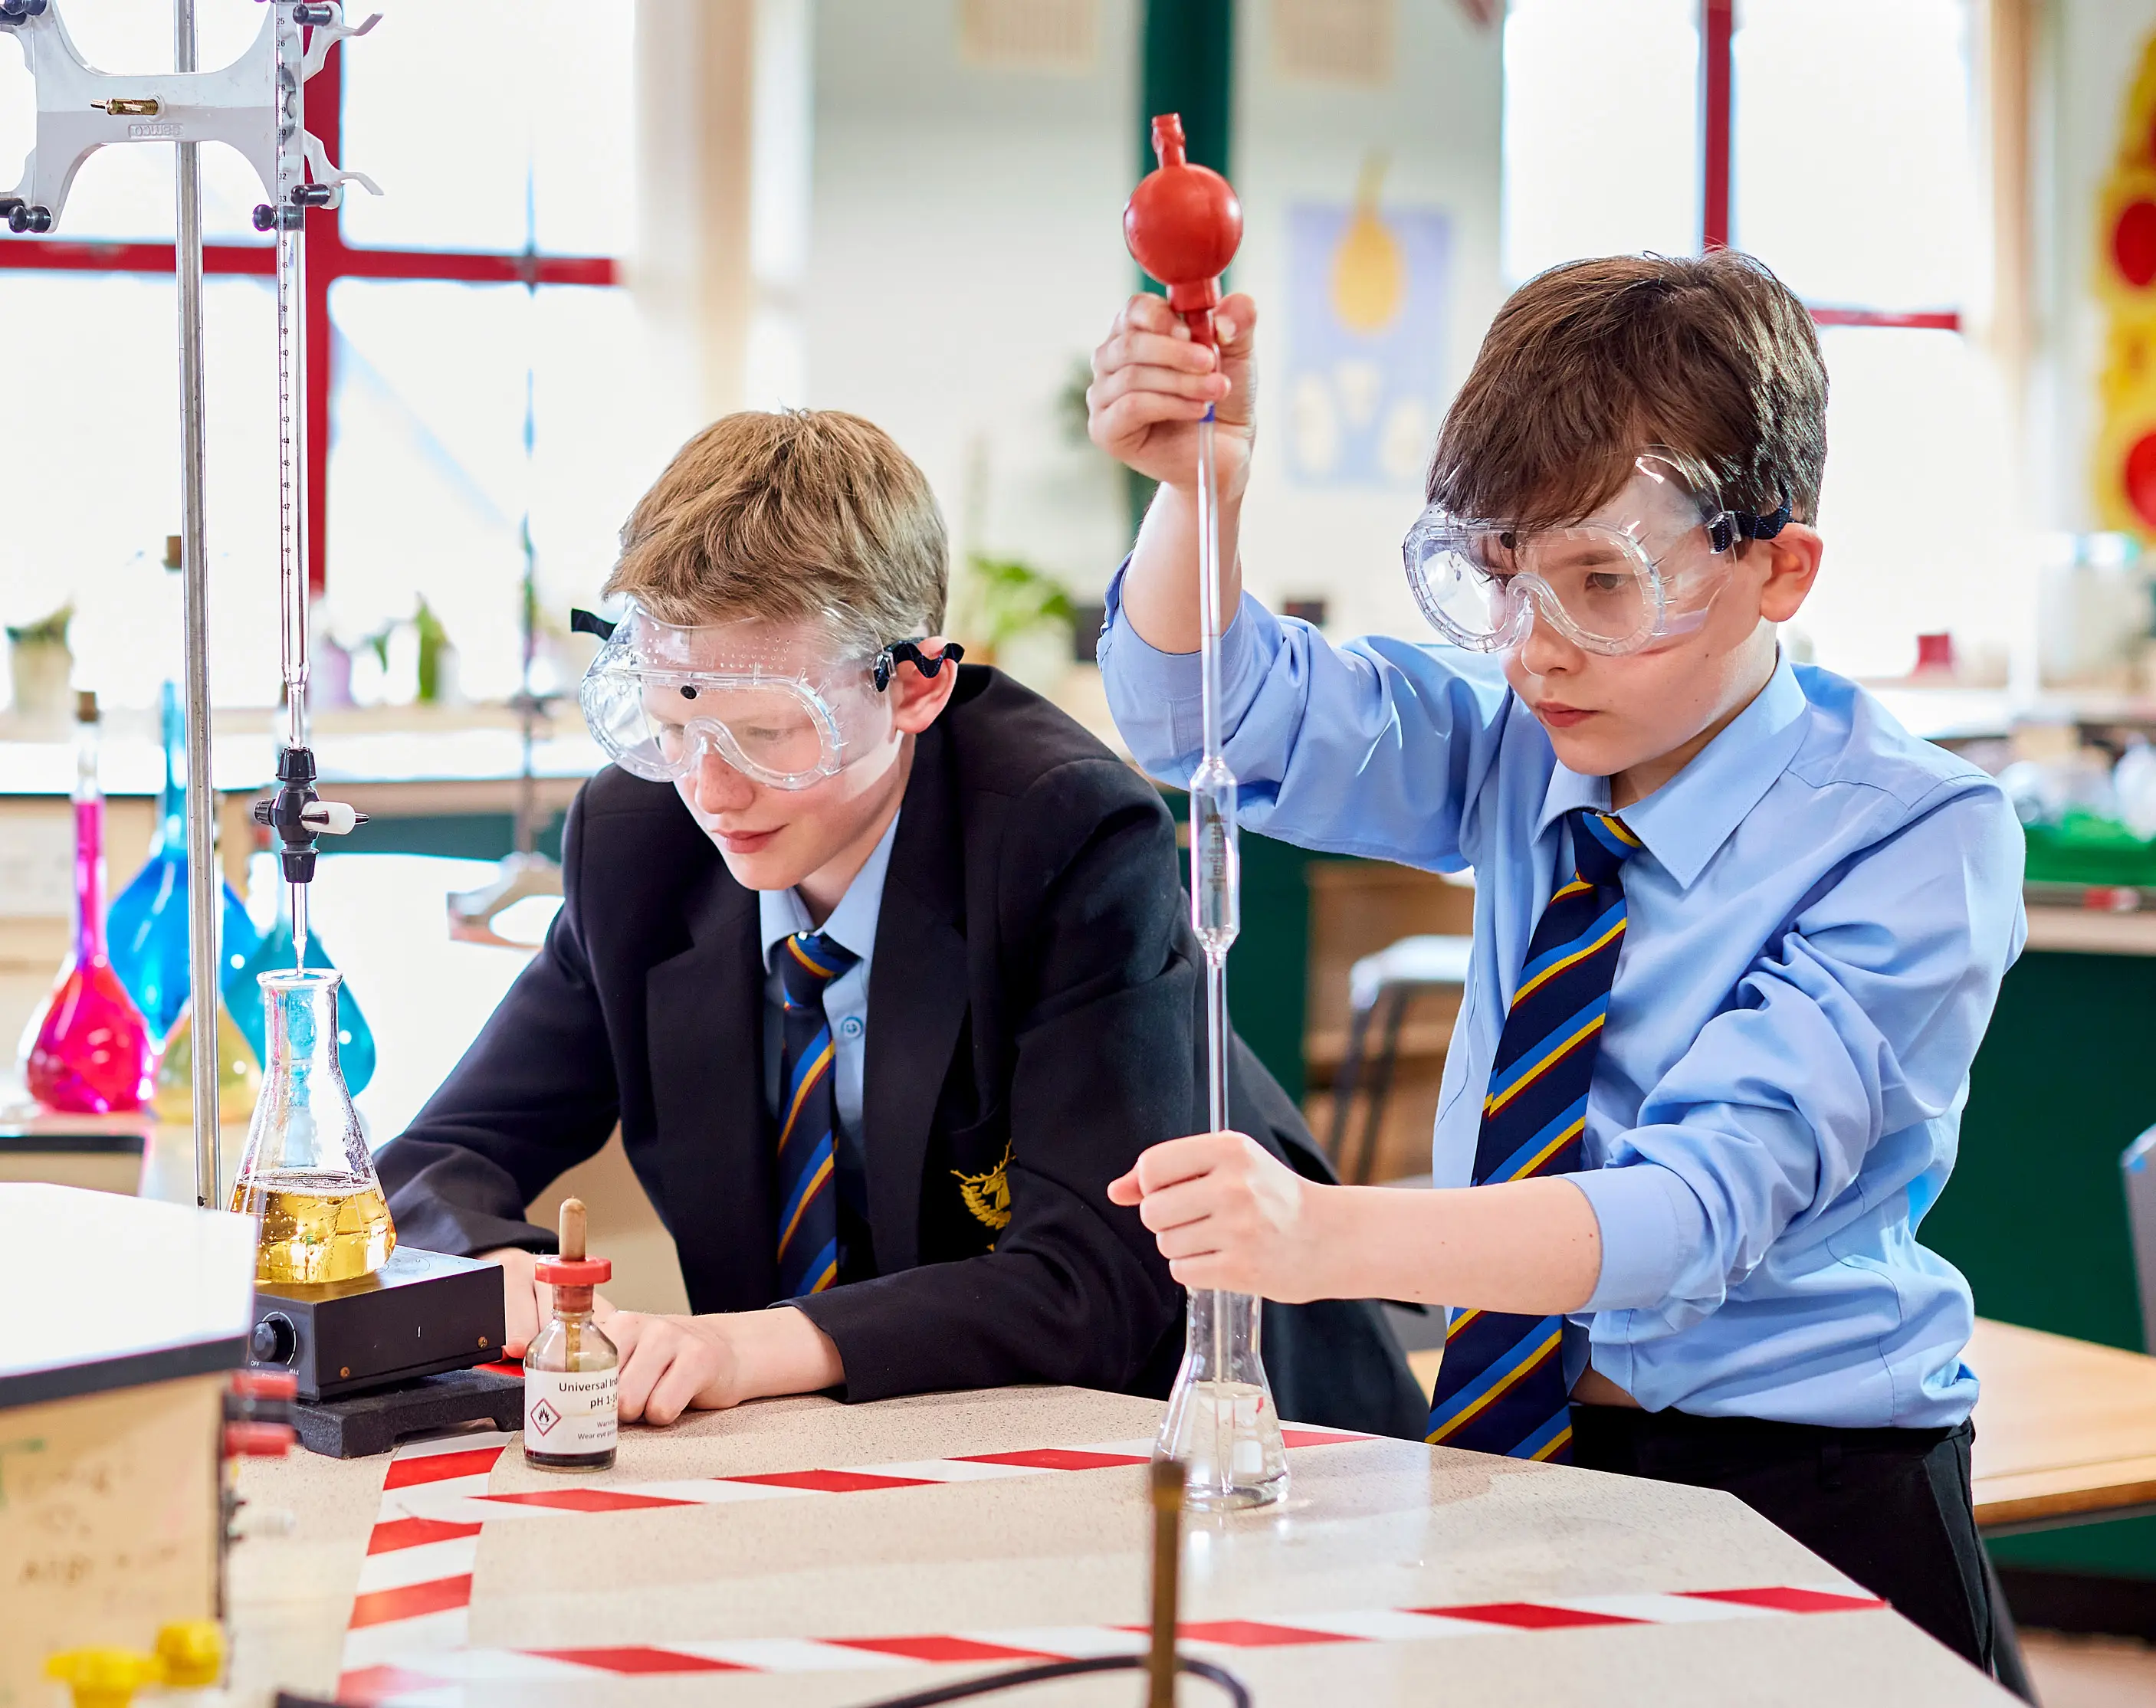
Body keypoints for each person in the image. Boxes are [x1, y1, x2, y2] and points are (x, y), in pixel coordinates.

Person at [1085, 253, 2028, 1683]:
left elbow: (1692, 1212)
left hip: (1807, 1489)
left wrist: (1322, 1238)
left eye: (1604, 584)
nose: (1536, 652)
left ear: (1778, 567)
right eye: (1500, 578)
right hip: (1522, 1462)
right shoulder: (1521, 738)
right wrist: (1201, 491)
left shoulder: (1914, 835)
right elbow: (1203, 717)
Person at [377, 408, 1424, 1438]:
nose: (711, 790)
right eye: (672, 725)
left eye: (767, 733)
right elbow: (431, 1162)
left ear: (917, 686)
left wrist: (744, 1348)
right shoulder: (638, 842)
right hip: (865, 1446)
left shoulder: (1065, 834)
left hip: (1231, 1440)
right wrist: (504, 1279)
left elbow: (1096, 1281)